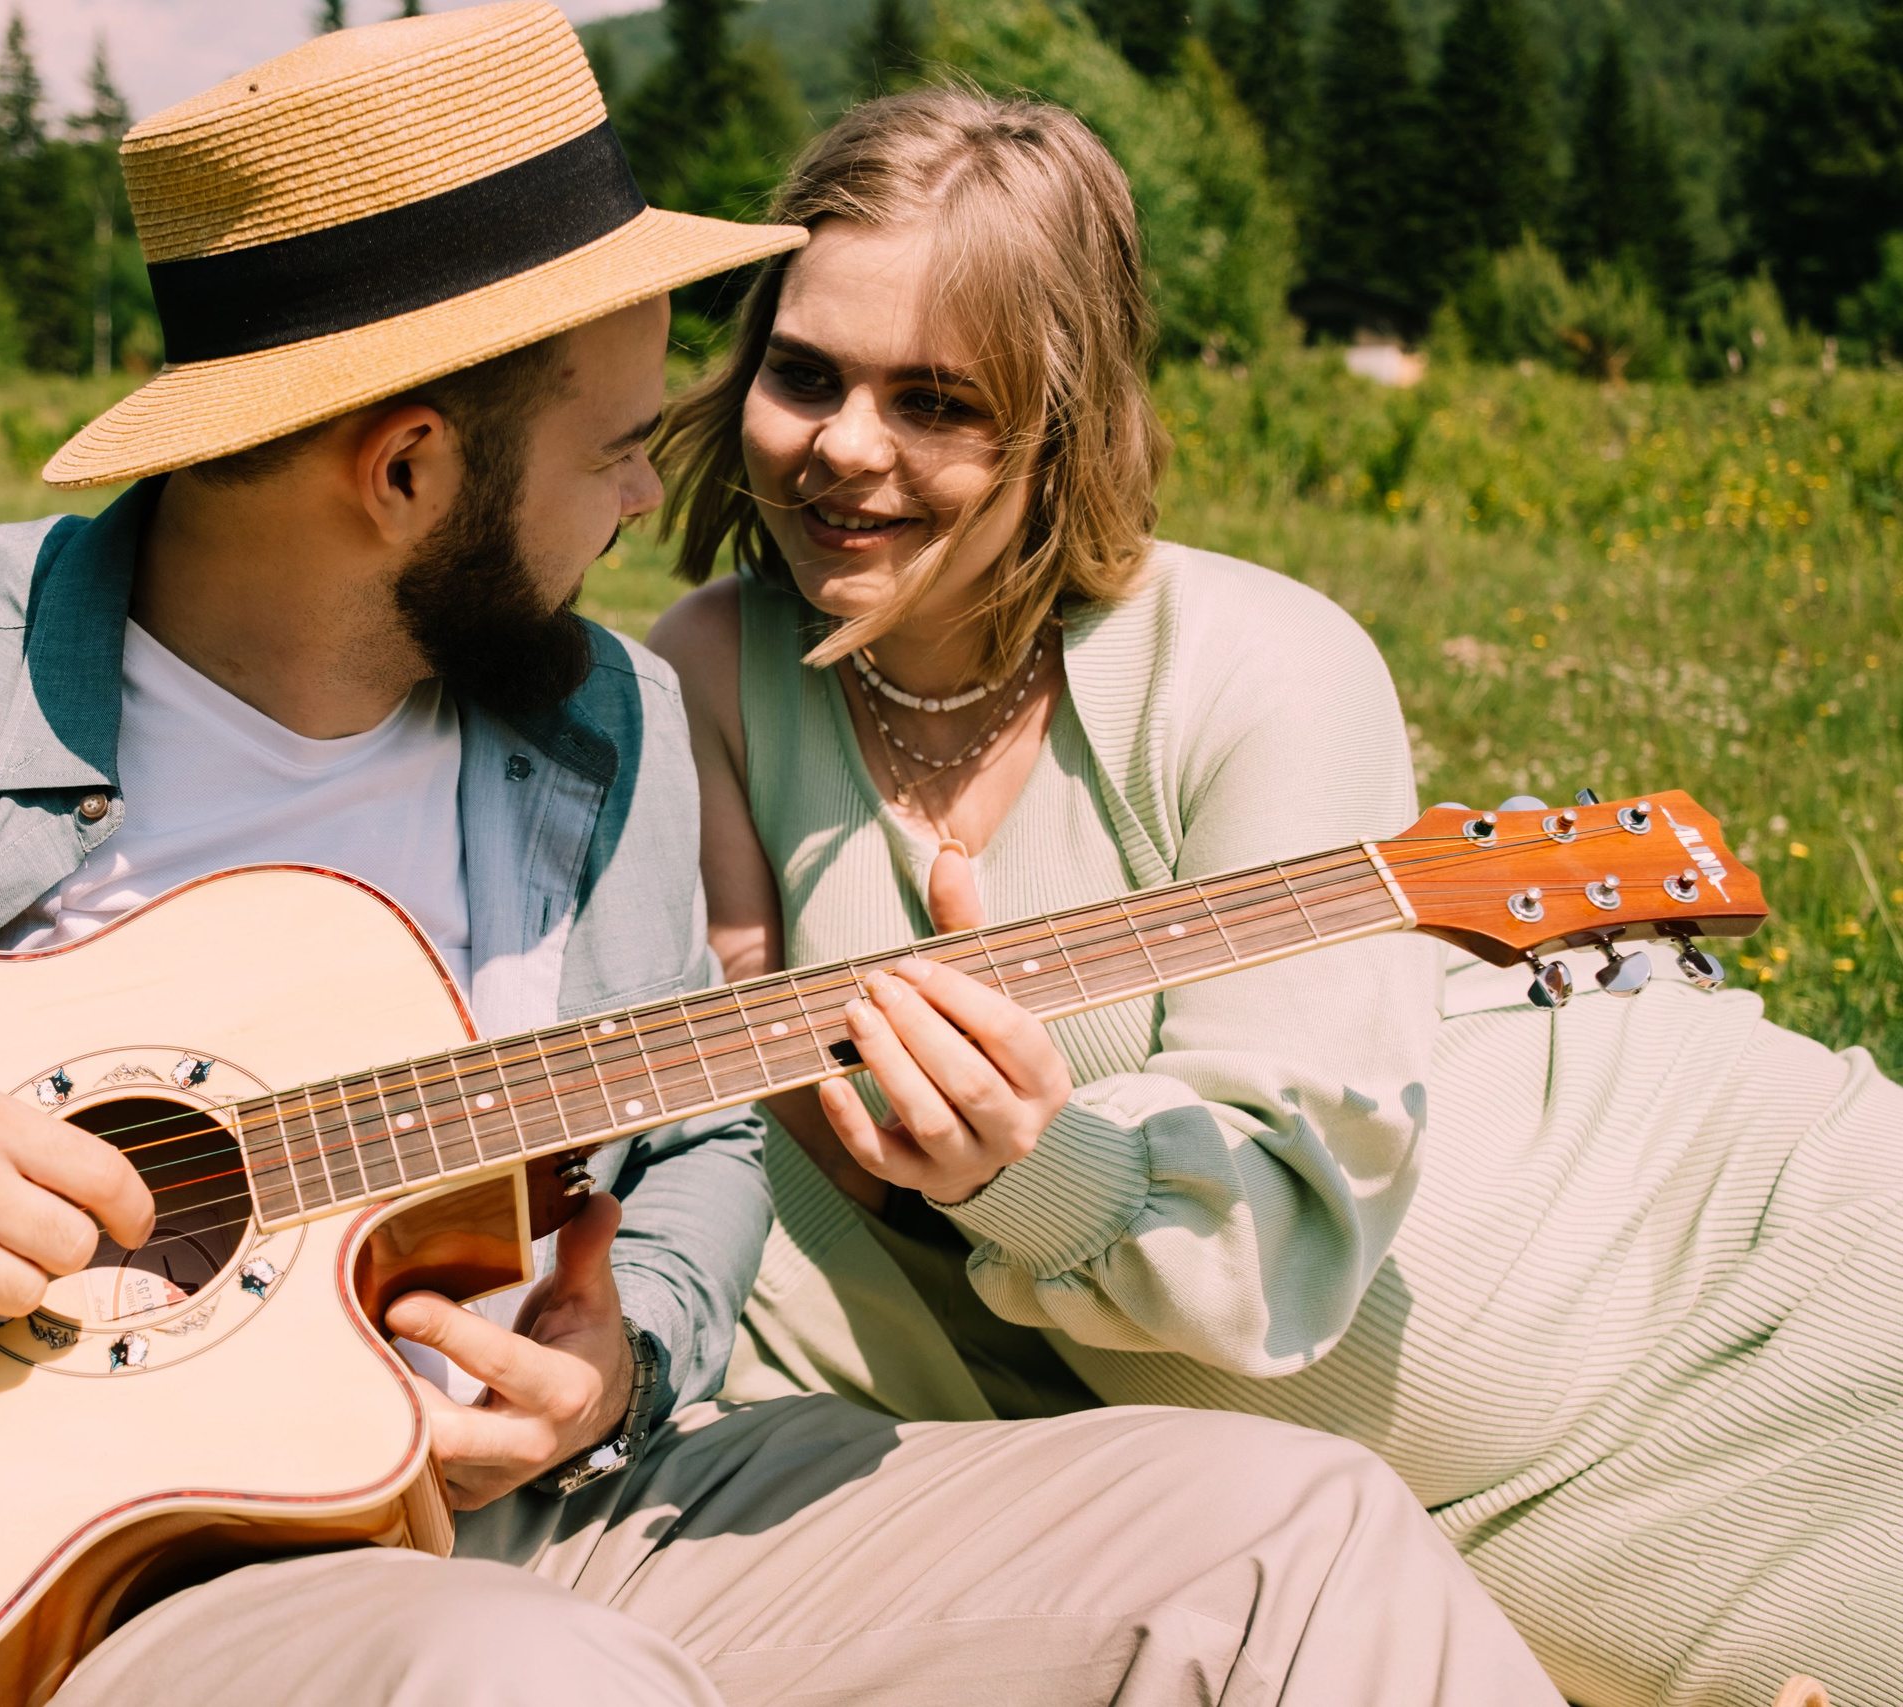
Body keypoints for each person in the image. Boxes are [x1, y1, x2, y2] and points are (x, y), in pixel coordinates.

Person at [0, 10, 1558, 1704]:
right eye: (613, 447)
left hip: (540, 1523)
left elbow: (680, 1128)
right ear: (406, 469)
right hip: (67, 1596)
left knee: (1286, 1529)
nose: (651, 512)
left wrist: (629, 1346)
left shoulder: (591, 726)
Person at [646, 82, 1902, 1707]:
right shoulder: (707, 680)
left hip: (1717, 1297)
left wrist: (1036, 1168)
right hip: (1346, 1531)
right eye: (805, 373)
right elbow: (761, 1173)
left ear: (1063, 420)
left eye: (939, 400)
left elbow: (1283, 1222)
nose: (845, 447)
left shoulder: (1263, 668)